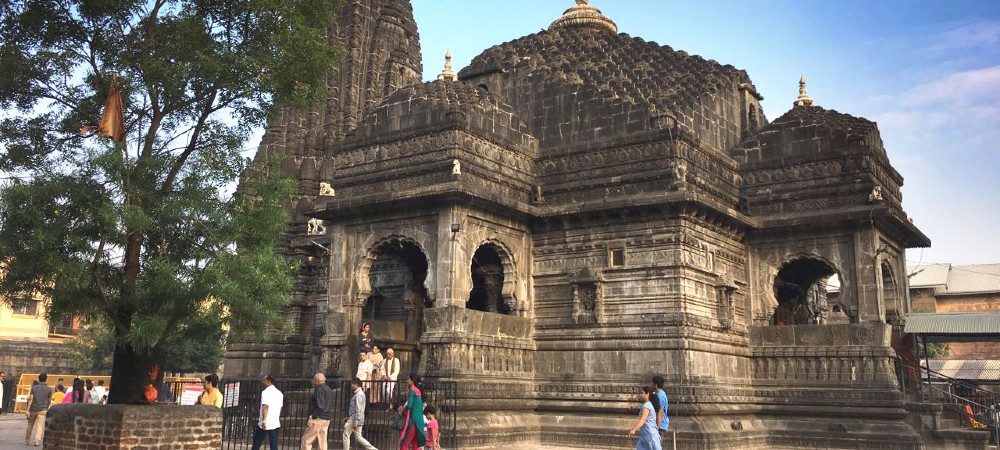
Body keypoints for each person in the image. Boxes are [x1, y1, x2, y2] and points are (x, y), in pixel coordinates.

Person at [343, 377, 377, 450]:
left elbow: (359, 409)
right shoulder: (360, 394)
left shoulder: (359, 394)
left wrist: (356, 420)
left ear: (356, 384)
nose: (351, 386)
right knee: (358, 437)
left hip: (355, 418)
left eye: (352, 384)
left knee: (346, 434)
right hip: (356, 418)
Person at [301, 373, 333, 450]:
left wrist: (313, 416)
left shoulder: (319, 390)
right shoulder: (328, 389)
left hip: (318, 418)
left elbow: (320, 405)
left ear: (316, 381)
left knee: (306, 440)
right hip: (326, 418)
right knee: (322, 442)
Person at [252, 375, 283, 450]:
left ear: (269, 381)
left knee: (257, 443)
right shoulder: (279, 393)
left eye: (264, 380)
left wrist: (264, 420)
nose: (263, 382)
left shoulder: (265, 392)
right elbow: (280, 407)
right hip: (275, 422)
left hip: (265, 422)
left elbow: (265, 406)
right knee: (274, 445)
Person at [398, 373, 426, 450]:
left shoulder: (412, 390)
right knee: (415, 445)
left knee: (403, 445)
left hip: (413, 421)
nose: (407, 381)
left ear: (412, 380)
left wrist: (402, 411)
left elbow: (409, 405)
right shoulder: (418, 390)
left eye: (408, 379)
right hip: (419, 421)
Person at [25, 373, 53, 447]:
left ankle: (27, 440)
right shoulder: (49, 389)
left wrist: (27, 409)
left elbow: (31, 399)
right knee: (40, 425)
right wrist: (46, 407)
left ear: (39, 378)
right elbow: (49, 400)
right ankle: (37, 441)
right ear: (46, 379)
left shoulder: (34, 388)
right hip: (43, 409)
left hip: (33, 409)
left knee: (30, 424)